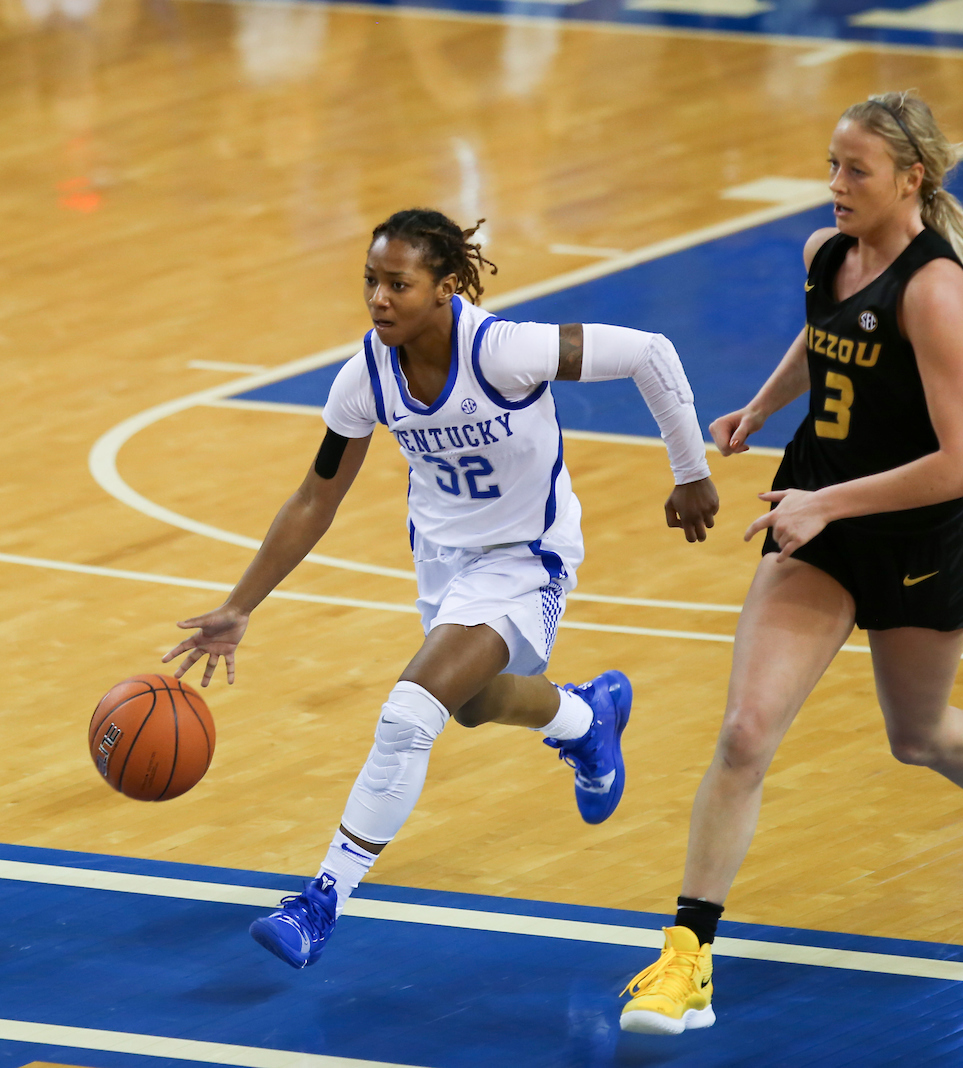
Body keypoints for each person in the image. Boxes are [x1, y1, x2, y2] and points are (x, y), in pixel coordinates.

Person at [618, 91, 963, 1036]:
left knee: (919, 736)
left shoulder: (938, 289)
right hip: (815, 521)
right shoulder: (826, 253)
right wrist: (763, 407)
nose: (833, 185)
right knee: (745, 730)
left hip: (913, 535)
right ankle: (687, 956)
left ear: (912, 179)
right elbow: (825, 339)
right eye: (830, 164)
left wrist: (832, 500)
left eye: (854, 170)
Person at [163, 208, 720, 969]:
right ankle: (587, 718)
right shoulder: (368, 373)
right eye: (370, 281)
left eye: (399, 284)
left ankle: (321, 899)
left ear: (446, 286)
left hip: (527, 560)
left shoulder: (503, 349)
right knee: (473, 703)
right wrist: (240, 604)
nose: (379, 299)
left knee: (407, 713)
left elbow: (650, 353)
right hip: (444, 565)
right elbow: (314, 498)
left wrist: (690, 471)